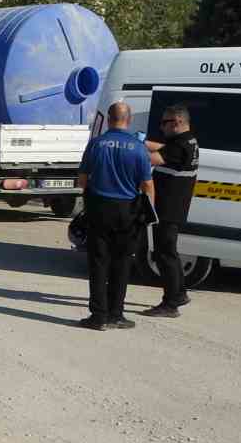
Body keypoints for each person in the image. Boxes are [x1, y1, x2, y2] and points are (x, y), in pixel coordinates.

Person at [76, 102, 155, 331]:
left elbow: (82, 180)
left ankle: (98, 317)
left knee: (98, 262)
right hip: (127, 212)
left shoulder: (96, 144)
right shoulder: (138, 148)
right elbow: (147, 185)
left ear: (109, 119)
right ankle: (116, 314)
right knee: (122, 263)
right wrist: (148, 214)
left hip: (99, 208)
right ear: (128, 120)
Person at [140, 105, 199, 318]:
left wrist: (130, 147)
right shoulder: (187, 140)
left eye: (165, 122)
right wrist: (142, 142)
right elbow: (161, 147)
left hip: (168, 208)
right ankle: (179, 294)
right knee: (168, 252)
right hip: (173, 207)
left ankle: (171, 303)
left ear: (178, 122)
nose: (161, 126)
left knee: (166, 255)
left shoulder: (180, 146)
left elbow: (151, 158)